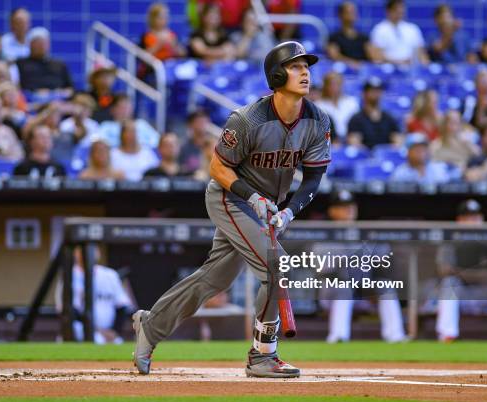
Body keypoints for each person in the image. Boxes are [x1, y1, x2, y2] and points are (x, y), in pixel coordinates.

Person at [132, 41, 330, 378]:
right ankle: (263, 355)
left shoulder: (316, 120)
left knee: (215, 278)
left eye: (306, 66)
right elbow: (218, 169)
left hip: (269, 206)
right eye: (296, 66)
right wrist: (254, 199)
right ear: (277, 74)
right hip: (230, 197)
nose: (305, 72)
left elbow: (314, 177)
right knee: (276, 264)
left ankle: (151, 326)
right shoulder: (247, 119)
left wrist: (289, 212)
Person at [319, 189, 406, 343]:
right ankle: (338, 337)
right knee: (343, 286)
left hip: (362, 288)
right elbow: (325, 270)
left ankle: (396, 336)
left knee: (384, 286)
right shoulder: (325, 235)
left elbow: (383, 259)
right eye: (342, 206)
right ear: (332, 211)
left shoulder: (365, 232)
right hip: (332, 291)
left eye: (351, 206)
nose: (348, 210)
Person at [436, 200, 487, 341]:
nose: (473, 221)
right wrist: (481, 275)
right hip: (465, 295)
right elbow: (444, 270)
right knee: (449, 283)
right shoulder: (451, 240)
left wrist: (466, 273)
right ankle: (447, 336)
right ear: (459, 220)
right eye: (468, 217)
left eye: (476, 217)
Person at [55, 246, 134, 344]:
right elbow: (70, 311)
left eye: (93, 250)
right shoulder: (69, 275)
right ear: (76, 253)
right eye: (81, 250)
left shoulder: (110, 275)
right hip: (79, 329)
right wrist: (97, 330)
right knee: (96, 339)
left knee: (117, 343)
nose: (89, 253)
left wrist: (115, 331)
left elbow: (121, 306)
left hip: (108, 332)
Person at [347, 78, 401, 149]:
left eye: (378, 90)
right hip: (365, 158)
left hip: (385, 158)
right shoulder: (356, 119)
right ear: (364, 93)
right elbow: (355, 144)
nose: (375, 93)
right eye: (372, 90)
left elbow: (398, 141)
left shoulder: (389, 118)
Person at [370, 0, 428, 65]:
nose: (400, 11)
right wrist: (398, 62)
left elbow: (421, 54)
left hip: (411, 70)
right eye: (396, 9)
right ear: (388, 11)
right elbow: (377, 56)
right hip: (387, 70)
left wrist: (426, 66)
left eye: (401, 8)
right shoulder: (379, 30)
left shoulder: (413, 29)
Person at [16, 27, 73, 93]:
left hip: (59, 100)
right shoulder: (21, 64)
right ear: (30, 44)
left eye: (44, 43)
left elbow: (70, 88)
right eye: (38, 43)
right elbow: (18, 88)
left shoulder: (60, 64)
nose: (41, 46)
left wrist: (61, 93)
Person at [315, 71, 359, 141]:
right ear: (325, 86)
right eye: (331, 84)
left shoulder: (351, 102)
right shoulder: (318, 105)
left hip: (351, 138)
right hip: (329, 139)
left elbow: (357, 124)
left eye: (337, 84)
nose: (335, 87)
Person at [462, 68, 487, 133]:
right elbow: (464, 123)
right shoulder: (468, 103)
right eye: (483, 82)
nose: (486, 85)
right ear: (476, 84)